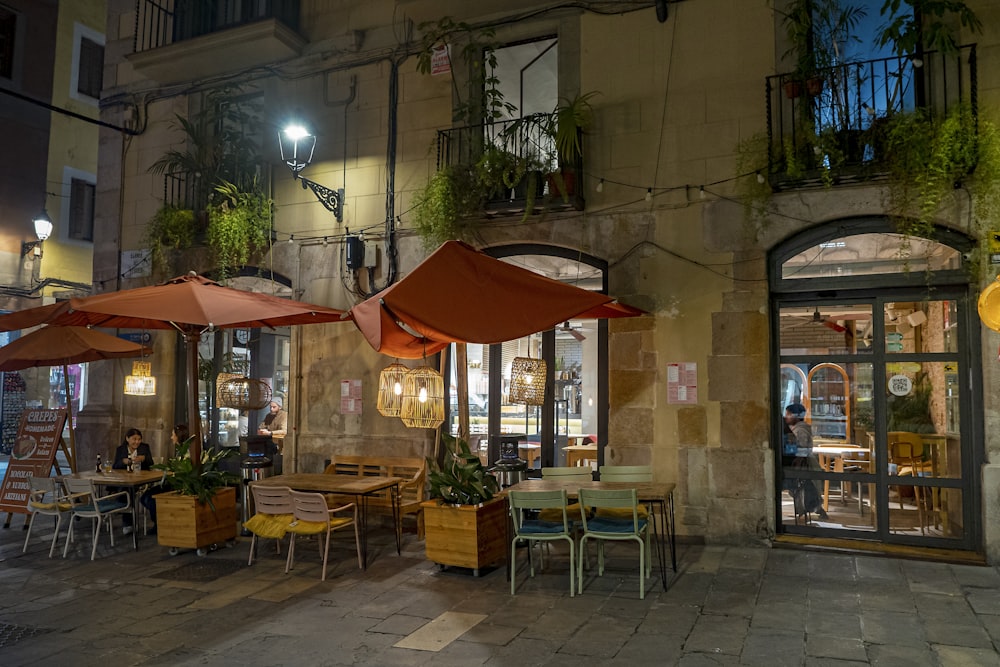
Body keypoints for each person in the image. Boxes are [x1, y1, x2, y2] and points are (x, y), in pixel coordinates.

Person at [782, 403, 828, 520]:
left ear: (796, 416)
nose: (786, 417)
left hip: (804, 465)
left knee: (806, 489)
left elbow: (801, 450)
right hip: (805, 463)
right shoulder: (799, 428)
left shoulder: (800, 430)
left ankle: (816, 509)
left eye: (788, 414)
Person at [112, 427, 160, 535]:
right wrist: (123, 461)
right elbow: (115, 466)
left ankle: (125, 518)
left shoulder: (144, 448)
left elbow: (151, 464)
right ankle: (127, 523)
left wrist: (143, 459)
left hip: (142, 480)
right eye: (134, 439)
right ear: (127, 439)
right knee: (126, 490)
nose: (137, 442)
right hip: (126, 479)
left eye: (139, 439)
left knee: (127, 492)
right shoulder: (121, 449)